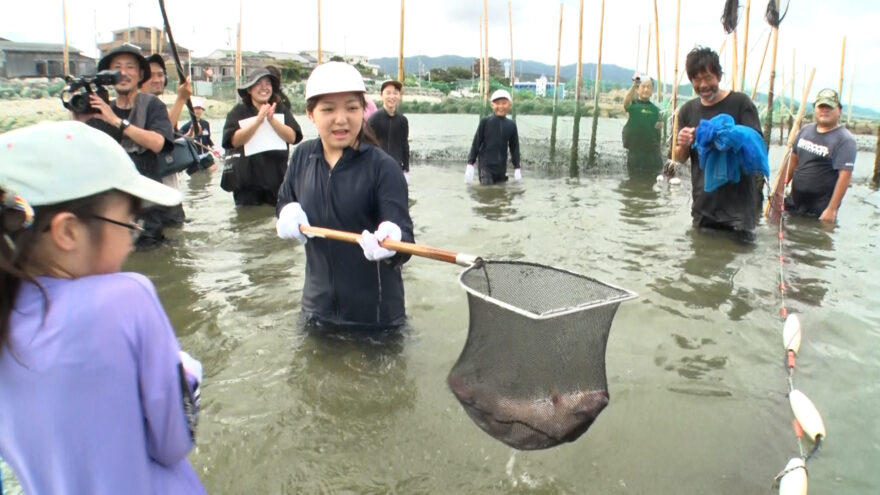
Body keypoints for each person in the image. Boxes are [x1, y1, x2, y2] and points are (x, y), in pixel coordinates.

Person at [0, 121, 205, 494]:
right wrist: (185, 374)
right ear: (68, 232)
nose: (130, 241)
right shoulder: (126, 298)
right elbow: (173, 443)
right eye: (128, 223)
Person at [275, 61, 414, 329]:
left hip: (375, 318)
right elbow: (283, 201)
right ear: (310, 114)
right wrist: (285, 214)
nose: (341, 119)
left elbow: (406, 241)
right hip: (317, 311)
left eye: (352, 107)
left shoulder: (382, 167)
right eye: (328, 109)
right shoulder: (303, 156)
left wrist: (392, 240)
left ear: (363, 110)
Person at [79, 44, 175, 249]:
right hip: (112, 210)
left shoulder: (152, 105)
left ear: (141, 74)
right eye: (117, 67)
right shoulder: (100, 110)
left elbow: (159, 143)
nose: (123, 73)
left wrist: (116, 121)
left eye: (130, 67)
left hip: (147, 208)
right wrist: (80, 121)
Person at [674, 46, 762, 243]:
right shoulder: (687, 111)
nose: (703, 85)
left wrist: (720, 135)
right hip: (703, 209)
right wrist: (683, 143)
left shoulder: (740, 103)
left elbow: (756, 146)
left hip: (738, 213)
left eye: (708, 77)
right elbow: (680, 158)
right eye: (697, 79)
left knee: (738, 268)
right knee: (699, 268)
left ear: (719, 76)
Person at [770, 88, 857, 223]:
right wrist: (779, 191)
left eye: (829, 107)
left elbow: (844, 177)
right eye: (821, 106)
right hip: (795, 201)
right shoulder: (805, 130)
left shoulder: (845, 140)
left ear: (839, 110)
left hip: (820, 208)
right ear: (815, 109)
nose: (824, 110)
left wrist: (832, 209)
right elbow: (793, 160)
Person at [222, 68, 303, 207]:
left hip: (277, 179)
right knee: (248, 223)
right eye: (258, 83)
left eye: (268, 83)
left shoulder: (280, 109)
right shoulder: (238, 111)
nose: (264, 87)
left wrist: (272, 120)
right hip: (247, 183)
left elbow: (293, 137)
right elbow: (234, 141)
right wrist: (258, 120)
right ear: (249, 89)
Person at [140, 53, 190, 226]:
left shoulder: (157, 106)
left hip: (170, 192)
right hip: (151, 198)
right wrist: (181, 99)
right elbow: (160, 138)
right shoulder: (136, 107)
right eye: (150, 75)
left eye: (160, 75)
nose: (157, 79)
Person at [465, 89, 522, 185]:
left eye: (504, 103)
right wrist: (470, 164)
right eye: (497, 104)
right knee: (487, 192)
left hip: (501, 168)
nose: (501, 106)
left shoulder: (511, 125)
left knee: (501, 195)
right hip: (486, 166)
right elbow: (476, 143)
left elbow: (514, 148)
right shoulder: (485, 122)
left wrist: (517, 167)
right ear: (492, 105)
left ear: (510, 105)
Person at [368, 79, 411, 183]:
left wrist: (406, 169)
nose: (392, 96)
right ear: (381, 95)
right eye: (388, 93)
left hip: (397, 169)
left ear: (399, 96)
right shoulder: (374, 119)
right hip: (377, 169)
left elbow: (405, 145)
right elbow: (367, 145)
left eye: (395, 93)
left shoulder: (402, 120)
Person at [622, 72, 663, 178]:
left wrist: (660, 125)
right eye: (643, 87)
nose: (646, 90)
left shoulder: (657, 110)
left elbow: (658, 130)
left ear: (652, 90)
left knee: (651, 183)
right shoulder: (633, 105)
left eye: (649, 87)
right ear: (638, 89)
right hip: (635, 153)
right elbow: (625, 102)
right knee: (632, 181)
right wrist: (634, 84)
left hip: (652, 155)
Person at [180, 96, 218, 172]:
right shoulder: (185, 127)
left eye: (199, 108)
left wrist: (214, 148)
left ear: (202, 110)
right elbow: (180, 141)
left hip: (206, 156)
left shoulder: (206, 124)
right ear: (191, 110)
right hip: (194, 158)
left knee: (212, 172)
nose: (197, 111)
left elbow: (208, 139)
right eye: (195, 108)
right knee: (196, 178)